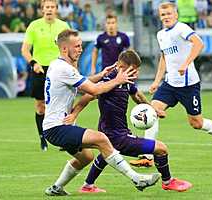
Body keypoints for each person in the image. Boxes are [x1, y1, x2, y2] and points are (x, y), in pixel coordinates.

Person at [43, 29, 160, 196]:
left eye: (81, 45)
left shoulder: (58, 65)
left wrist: (103, 74)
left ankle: (56, 188)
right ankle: (137, 179)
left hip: (59, 125)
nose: (80, 49)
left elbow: (84, 81)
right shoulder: (64, 69)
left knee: (87, 157)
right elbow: (94, 90)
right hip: (56, 127)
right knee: (101, 138)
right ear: (63, 49)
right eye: (76, 46)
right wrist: (117, 80)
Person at [60, 49, 192, 193]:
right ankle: (168, 182)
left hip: (111, 133)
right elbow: (88, 96)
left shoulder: (126, 81)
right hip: (118, 136)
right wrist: (74, 115)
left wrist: (152, 109)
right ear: (121, 67)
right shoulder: (109, 81)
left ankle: (87, 186)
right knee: (161, 149)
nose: (137, 74)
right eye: (134, 70)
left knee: (107, 153)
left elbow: (137, 95)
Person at [130, 2, 212, 167]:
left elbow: (199, 43)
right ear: (160, 17)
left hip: (189, 86)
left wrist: (186, 63)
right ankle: (147, 156)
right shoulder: (161, 35)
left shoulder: (182, 28)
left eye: (169, 14)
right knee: (151, 111)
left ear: (176, 15)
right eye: (163, 15)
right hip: (169, 84)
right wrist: (157, 81)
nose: (166, 17)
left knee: (197, 123)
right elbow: (164, 58)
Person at [21, 0, 70, 151]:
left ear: (56, 9)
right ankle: (43, 138)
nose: (49, 9)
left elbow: (70, 47)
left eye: (52, 7)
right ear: (42, 9)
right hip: (40, 69)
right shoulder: (34, 26)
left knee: (62, 105)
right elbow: (25, 50)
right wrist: (33, 63)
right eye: (46, 7)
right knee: (41, 106)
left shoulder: (64, 26)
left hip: (59, 69)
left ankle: (63, 140)